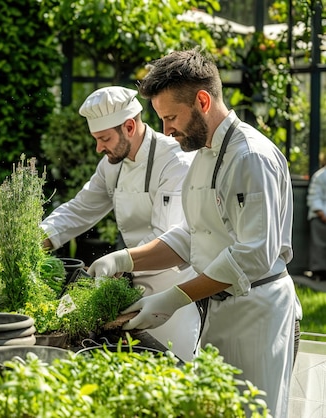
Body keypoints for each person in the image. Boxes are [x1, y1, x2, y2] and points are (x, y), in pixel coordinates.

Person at [88, 48, 300, 417]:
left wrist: (173, 298)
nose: (166, 130)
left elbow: (253, 254)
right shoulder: (203, 153)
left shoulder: (250, 156)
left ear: (202, 100)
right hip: (220, 310)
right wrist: (125, 258)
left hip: (257, 314)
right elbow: (191, 235)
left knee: (253, 411)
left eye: (171, 117)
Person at [40, 86, 200, 361]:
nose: (99, 148)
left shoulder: (174, 161)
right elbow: (80, 209)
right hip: (133, 280)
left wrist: (119, 262)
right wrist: (38, 236)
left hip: (172, 291)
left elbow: (170, 239)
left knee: (174, 364)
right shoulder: (111, 165)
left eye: (103, 138)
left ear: (129, 126)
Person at [307, 157, 326, 281]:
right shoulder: (320, 176)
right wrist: (322, 214)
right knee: (319, 244)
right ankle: (318, 271)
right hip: (320, 217)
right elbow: (314, 197)